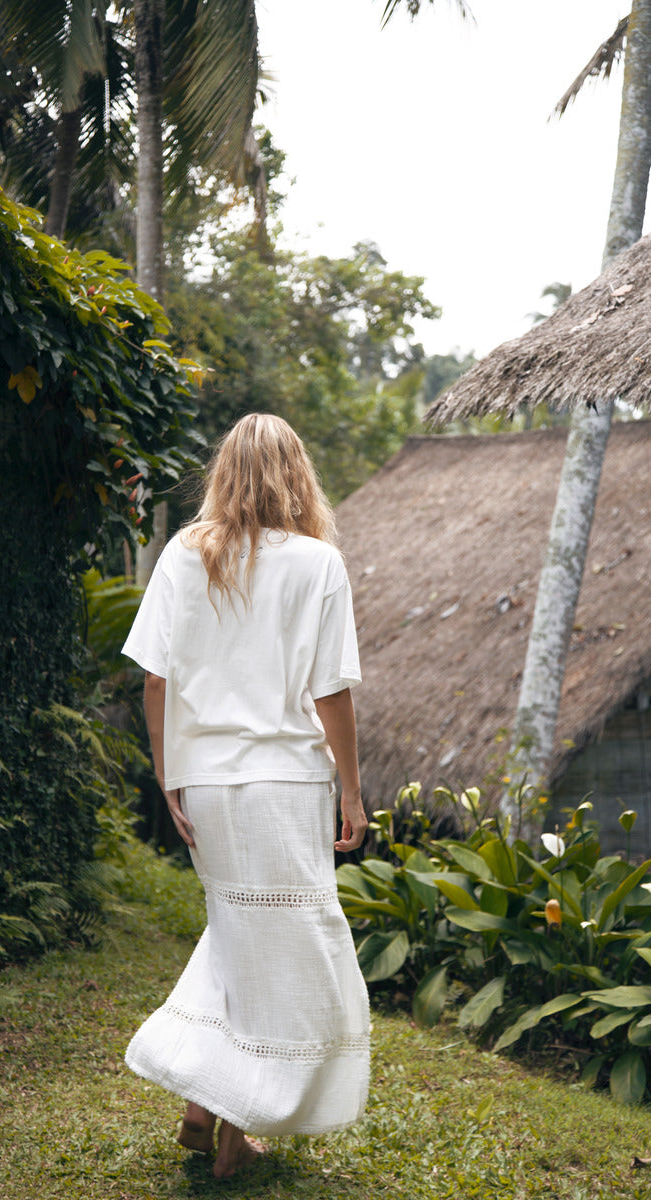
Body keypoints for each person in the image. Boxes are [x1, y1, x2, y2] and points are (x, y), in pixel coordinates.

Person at [121, 413, 370, 1179]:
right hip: (285, 782)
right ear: (298, 474)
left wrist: (169, 773)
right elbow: (330, 691)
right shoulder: (318, 563)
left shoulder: (182, 554)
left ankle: (204, 1107)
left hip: (205, 782)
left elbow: (154, 679)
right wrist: (353, 790)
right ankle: (236, 1130)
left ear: (224, 472)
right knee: (292, 948)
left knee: (238, 933)